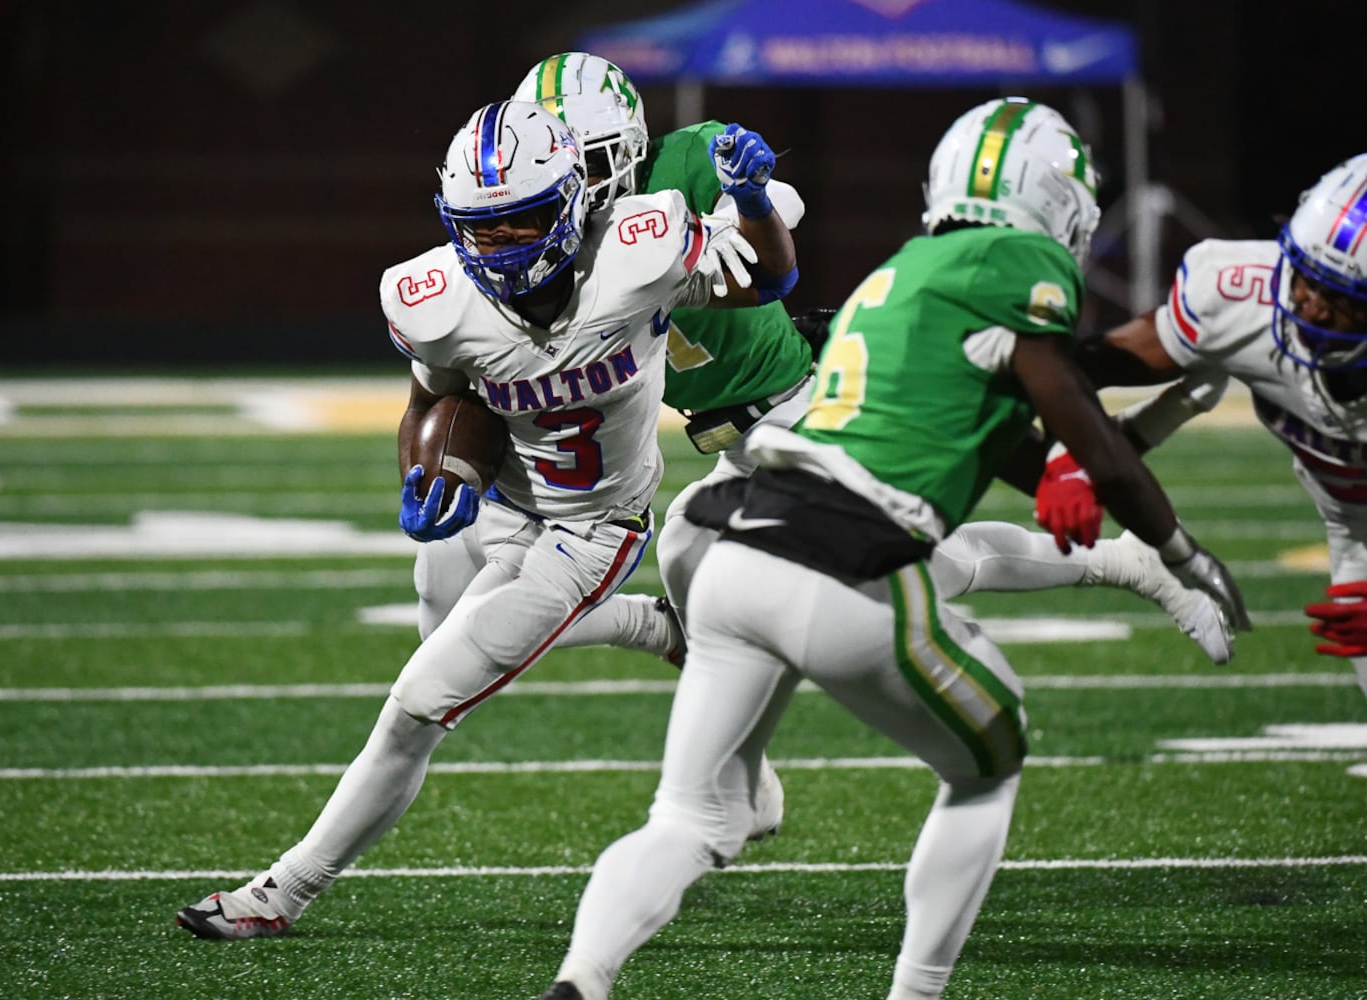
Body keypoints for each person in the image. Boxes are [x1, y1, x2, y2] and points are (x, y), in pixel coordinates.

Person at [536, 97, 1249, 1000]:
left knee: (684, 819)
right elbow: (1076, 421)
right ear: (1054, 197)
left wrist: (1168, 417)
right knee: (988, 765)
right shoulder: (1015, 261)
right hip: (844, 563)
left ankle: (581, 979)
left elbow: (1030, 454)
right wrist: (1181, 552)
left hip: (738, 545)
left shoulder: (903, 272)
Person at [174, 98, 799, 940]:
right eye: (482, 227)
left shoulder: (640, 249)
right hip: (499, 507)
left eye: (522, 224)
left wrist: (752, 203)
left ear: (575, 202)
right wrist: (426, 473)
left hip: (589, 529)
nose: (500, 247)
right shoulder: (429, 294)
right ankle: (659, 630)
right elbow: (433, 398)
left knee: (419, 701)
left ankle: (281, 892)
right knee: (432, 647)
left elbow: (767, 279)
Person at [1031, 152, 1367, 698]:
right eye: (1305, 276)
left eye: (1337, 296)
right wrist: (1069, 455)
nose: (1308, 305)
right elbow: (1086, 368)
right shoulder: (1243, 298)